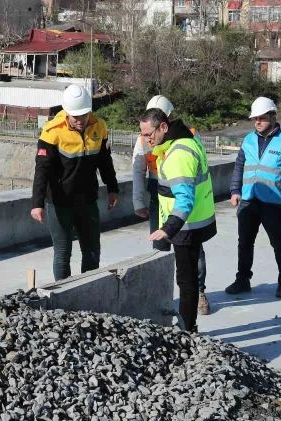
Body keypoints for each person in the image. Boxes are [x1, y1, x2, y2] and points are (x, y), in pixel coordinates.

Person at [139, 108, 216, 333]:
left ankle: (187, 329)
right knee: (189, 277)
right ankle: (188, 325)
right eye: (143, 135)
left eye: (148, 134)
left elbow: (184, 199)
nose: (146, 139)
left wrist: (168, 229)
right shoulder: (185, 142)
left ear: (164, 127)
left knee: (186, 280)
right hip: (196, 222)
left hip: (186, 226)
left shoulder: (178, 154)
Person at [31, 84, 119, 281]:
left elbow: (105, 162)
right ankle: (64, 301)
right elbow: (41, 170)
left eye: (84, 115)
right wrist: (37, 204)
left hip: (87, 201)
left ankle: (87, 293)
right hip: (60, 204)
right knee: (63, 254)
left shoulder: (99, 126)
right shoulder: (52, 131)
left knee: (92, 252)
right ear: (67, 112)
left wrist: (113, 188)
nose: (81, 120)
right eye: (76, 116)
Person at [225, 97, 281, 298]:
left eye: (261, 118)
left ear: (273, 116)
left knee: (278, 242)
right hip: (249, 200)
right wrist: (235, 190)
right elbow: (239, 166)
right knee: (244, 243)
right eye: (255, 118)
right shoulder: (248, 140)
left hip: (274, 202)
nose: (257, 122)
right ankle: (243, 279)